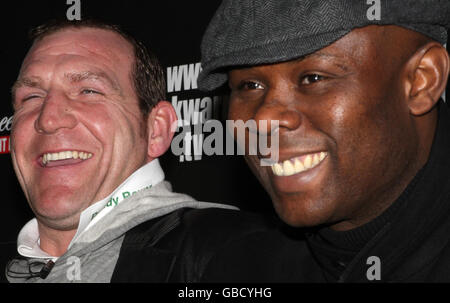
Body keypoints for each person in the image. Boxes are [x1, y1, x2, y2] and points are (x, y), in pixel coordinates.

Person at [198, 0, 450, 282]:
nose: (263, 120)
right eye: (249, 86)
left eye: (313, 78)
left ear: (421, 81)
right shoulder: (238, 270)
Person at [5, 19, 270, 283]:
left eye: (88, 90)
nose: (48, 119)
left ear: (156, 129)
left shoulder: (236, 254)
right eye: (31, 97)